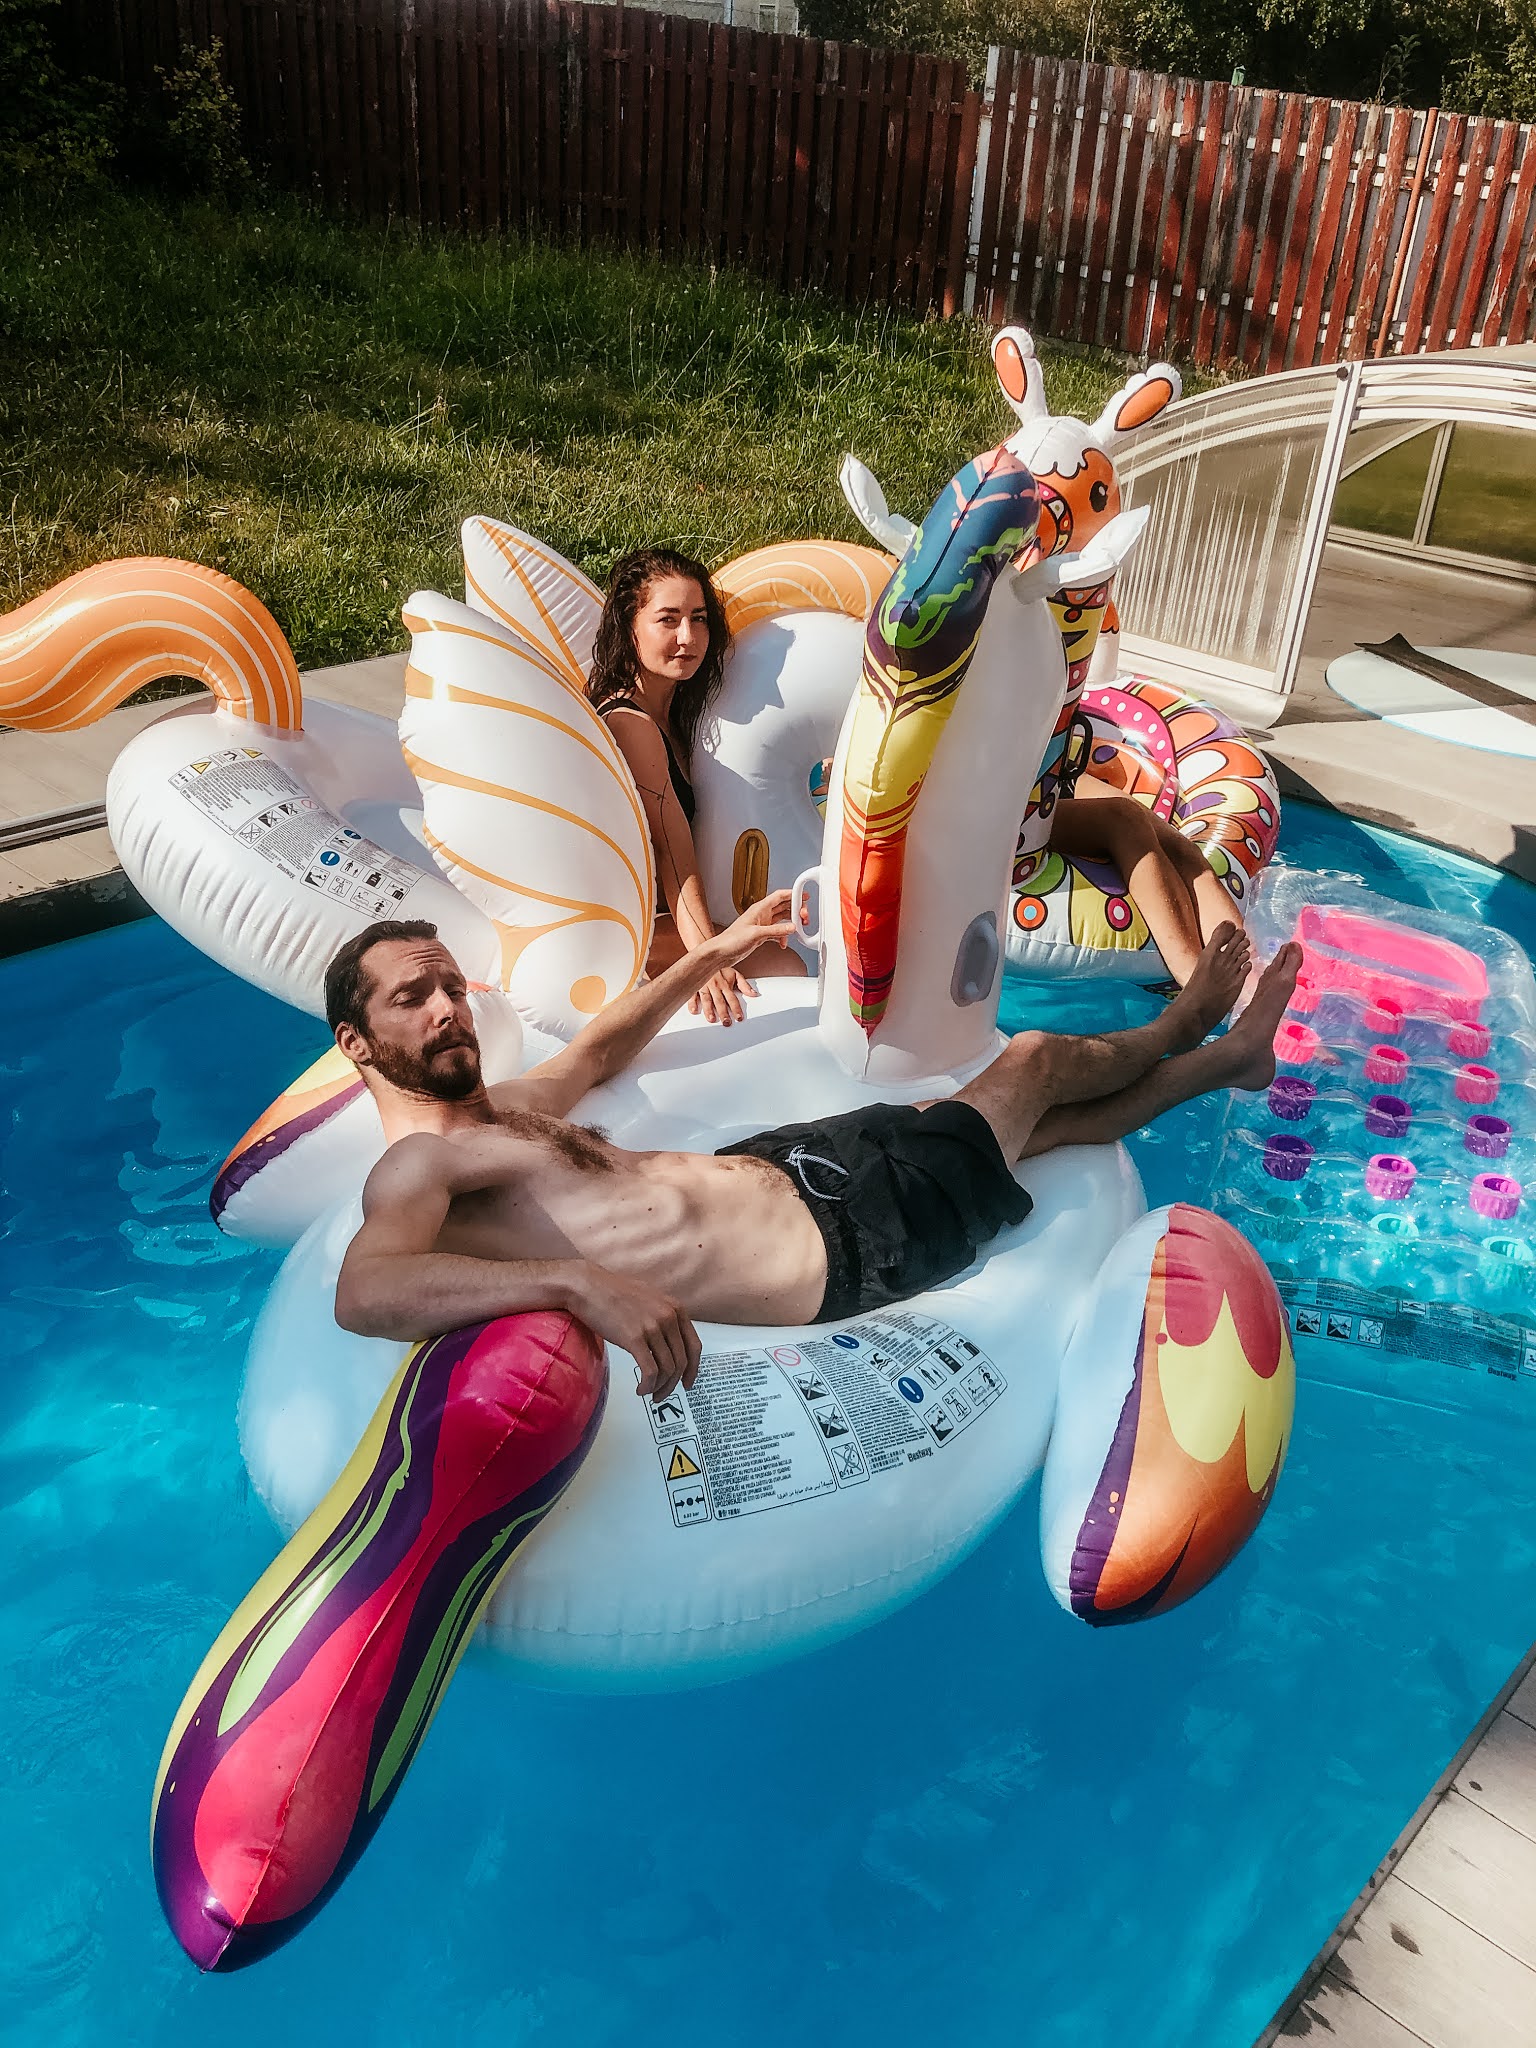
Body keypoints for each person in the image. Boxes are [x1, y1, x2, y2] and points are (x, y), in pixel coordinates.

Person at [329, 904, 1301, 1402]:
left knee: (1011, 1127)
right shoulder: (418, 1165)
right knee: (1035, 1062)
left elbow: (592, 1053)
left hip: (794, 1165)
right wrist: (577, 1284)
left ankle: (1229, 1062)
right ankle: (1184, 1023)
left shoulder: (500, 1114)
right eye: (412, 998)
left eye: (451, 987)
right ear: (358, 1043)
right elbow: (365, 1290)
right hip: (848, 1240)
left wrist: (714, 954)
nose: (448, 1008)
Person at [586, 547, 807, 1025]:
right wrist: (706, 959)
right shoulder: (630, 723)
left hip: (668, 919)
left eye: (699, 619)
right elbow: (672, 855)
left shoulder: (679, 716)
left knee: (788, 953)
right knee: (785, 967)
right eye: (668, 620)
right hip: (633, 931)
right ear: (629, 627)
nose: (688, 637)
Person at [1047, 767, 1242, 987]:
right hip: (1021, 806)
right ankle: (1196, 983)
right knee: (1124, 820)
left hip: (1054, 775)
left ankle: (1252, 980)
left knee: (1182, 850)